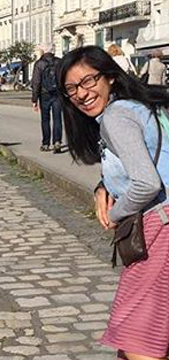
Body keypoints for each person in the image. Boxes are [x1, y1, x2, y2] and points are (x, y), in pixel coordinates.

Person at [58, 45, 169, 360]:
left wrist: (116, 215)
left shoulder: (116, 117)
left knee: (139, 339)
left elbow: (147, 182)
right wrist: (103, 186)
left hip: (160, 230)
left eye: (88, 81)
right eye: (71, 89)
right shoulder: (140, 107)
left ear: (109, 77)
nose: (81, 93)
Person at [31, 50, 63, 153]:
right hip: (57, 93)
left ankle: (45, 144)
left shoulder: (39, 63)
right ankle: (57, 141)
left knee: (45, 120)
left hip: (44, 94)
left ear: (43, 51)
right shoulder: (59, 62)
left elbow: (36, 82)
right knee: (57, 118)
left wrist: (34, 99)